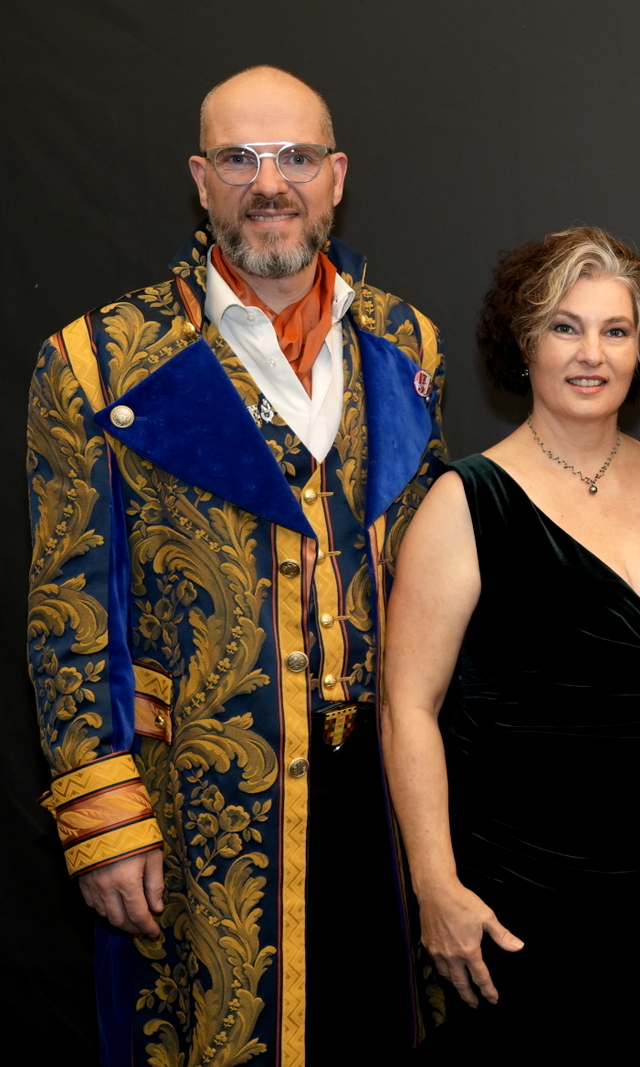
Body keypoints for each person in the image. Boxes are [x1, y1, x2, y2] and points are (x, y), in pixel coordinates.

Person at [25, 66, 448, 1064]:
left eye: (296, 157)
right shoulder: (94, 361)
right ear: (200, 179)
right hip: (199, 808)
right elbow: (67, 613)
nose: (269, 183)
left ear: (336, 175)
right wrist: (106, 817)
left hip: (384, 796)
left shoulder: (407, 342)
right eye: (239, 158)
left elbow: (436, 578)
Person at [381, 227, 640, 1060]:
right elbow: (407, 705)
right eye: (565, 327)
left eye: (615, 329)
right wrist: (435, 883)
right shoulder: (467, 500)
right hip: (516, 887)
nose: (591, 353)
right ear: (523, 342)